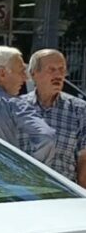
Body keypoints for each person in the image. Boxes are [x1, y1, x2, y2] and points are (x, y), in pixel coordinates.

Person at [19, 50, 86, 184]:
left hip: (63, 196)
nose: (58, 75)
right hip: (23, 193)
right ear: (33, 74)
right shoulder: (16, 108)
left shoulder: (80, 110)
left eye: (62, 70)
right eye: (52, 69)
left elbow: (84, 160)